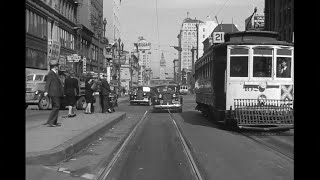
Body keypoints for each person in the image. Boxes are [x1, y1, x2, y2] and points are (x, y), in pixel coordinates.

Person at [44, 60, 64, 127]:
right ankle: (50, 122)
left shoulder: (55, 73)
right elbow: (48, 83)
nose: (58, 67)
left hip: (56, 93)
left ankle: (54, 122)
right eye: (57, 66)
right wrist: (46, 91)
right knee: (57, 106)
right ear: (55, 66)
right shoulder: (51, 73)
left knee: (55, 107)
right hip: (54, 93)